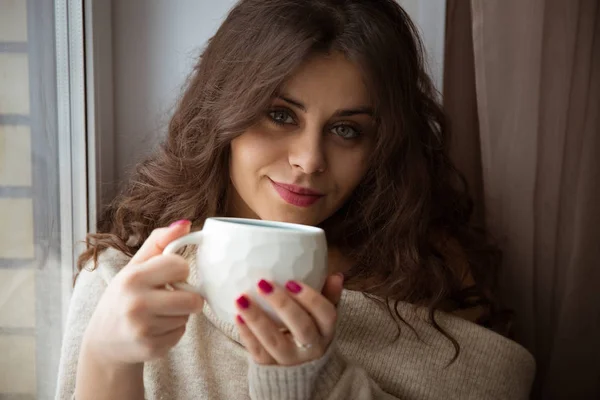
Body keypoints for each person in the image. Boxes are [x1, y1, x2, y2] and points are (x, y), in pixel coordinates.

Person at [56, 0, 535, 399]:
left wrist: (310, 383)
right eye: (281, 116)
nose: (309, 159)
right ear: (226, 111)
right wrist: (106, 356)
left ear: (383, 147)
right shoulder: (125, 281)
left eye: (347, 130)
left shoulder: (429, 281)